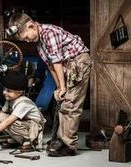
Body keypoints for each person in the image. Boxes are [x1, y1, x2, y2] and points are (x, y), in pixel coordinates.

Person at [6, 13, 91, 156]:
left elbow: (57, 62)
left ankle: (68, 145)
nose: (27, 41)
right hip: (67, 66)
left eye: (26, 37)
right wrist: (59, 88)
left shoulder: (49, 33)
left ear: (31, 26)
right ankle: (62, 140)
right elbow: (51, 66)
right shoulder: (39, 45)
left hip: (79, 62)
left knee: (71, 103)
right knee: (64, 101)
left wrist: (63, 87)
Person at [0, 70, 46, 152]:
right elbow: (1, 114)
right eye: (4, 89)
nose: (5, 92)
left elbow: (8, 121)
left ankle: (30, 141)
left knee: (5, 121)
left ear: (19, 93)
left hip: (34, 128)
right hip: (24, 123)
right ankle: (18, 140)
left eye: (9, 91)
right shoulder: (10, 100)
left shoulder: (23, 103)